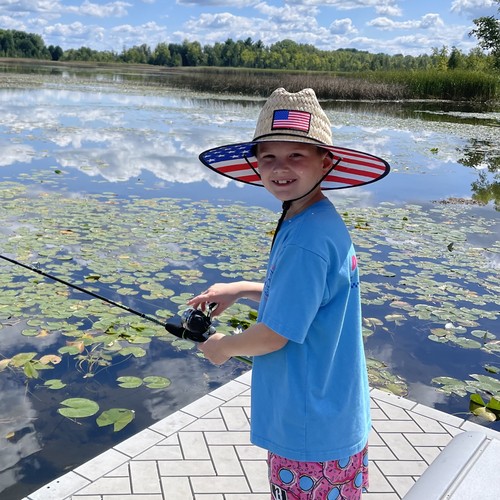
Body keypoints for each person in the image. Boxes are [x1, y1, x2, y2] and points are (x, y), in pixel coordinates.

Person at [189, 88, 390, 499]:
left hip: (307, 429)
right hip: (335, 415)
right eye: (269, 157)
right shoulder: (317, 219)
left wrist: (222, 346)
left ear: (325, 161)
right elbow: (309, 298)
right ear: (256, 164)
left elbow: (274, 335)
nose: (280, 168)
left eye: (296, 155)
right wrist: (242, 289)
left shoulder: (304, 240)